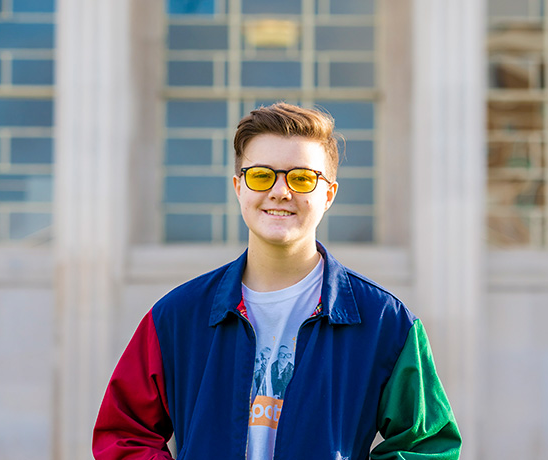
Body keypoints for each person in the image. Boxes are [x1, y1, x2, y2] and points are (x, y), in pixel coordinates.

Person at [92, 103, 461, 459]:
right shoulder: (177, 316)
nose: (280, 191)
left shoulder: (385, 322)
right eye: (261, 175)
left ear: (329, 194)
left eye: (301, 178)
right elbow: (123, 434)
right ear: (239, 187)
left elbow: (426, 445)